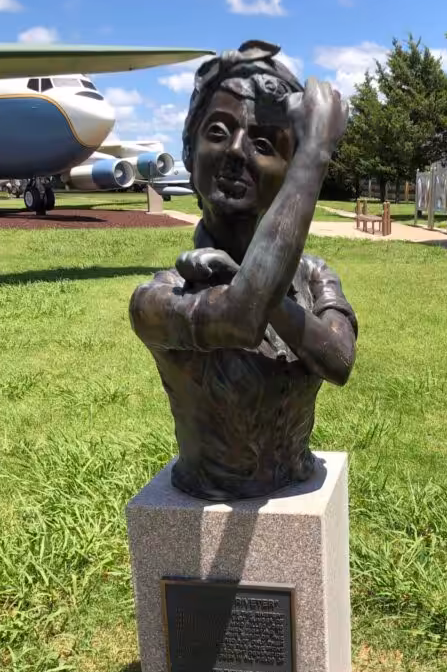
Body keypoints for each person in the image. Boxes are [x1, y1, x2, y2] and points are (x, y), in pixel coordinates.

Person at [130, 41, 358, 500]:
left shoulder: (314, 275)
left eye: (262, 144)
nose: (236, 151)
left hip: (296, 477)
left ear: (288, 170)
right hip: (207, 488)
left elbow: (338, 360)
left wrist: (242, 276)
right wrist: (316, 151)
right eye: (217, 132)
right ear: (189, 153)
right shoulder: (160, 296)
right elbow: (242, 316)